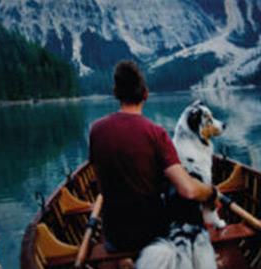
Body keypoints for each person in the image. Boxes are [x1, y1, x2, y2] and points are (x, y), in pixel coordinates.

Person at [88, 60, 216, 254]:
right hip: (154, 237)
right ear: (146, 94)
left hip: (114, 239)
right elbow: (188, 190)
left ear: (116, 93)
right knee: (178, 192)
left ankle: (125, 263)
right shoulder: (157, 134)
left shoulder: (96, 130)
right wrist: (211, 193)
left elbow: (101, 187)